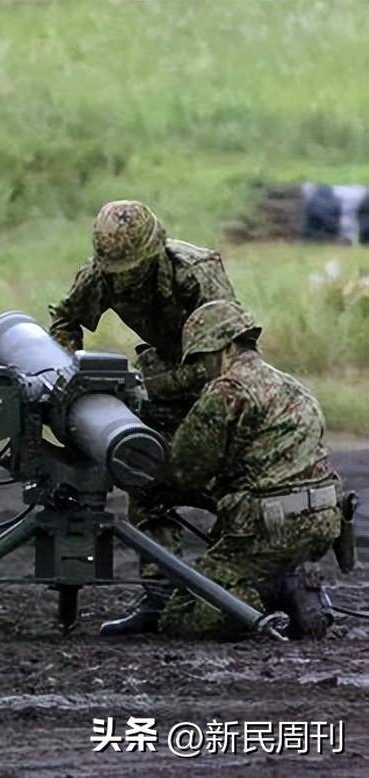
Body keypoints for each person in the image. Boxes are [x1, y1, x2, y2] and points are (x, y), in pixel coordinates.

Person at [46, 200, 240, 633]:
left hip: (214, 390)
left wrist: (146, 386)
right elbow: (65, 318)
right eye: (118, 272)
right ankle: (161, 597)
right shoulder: (101, 274)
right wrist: (68, 364)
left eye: (134, 269)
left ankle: (258, 582)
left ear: (156, 253)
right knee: (146, 480)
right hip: (162, 387)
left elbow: (227, 355)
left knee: (231, 490)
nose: (125, 279)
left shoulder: (196, 274)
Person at [118, 300, 342, 638]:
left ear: (225, 347)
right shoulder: (291, 385)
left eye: (202, 358)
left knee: (180, 616)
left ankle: (277, 591)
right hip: (323, 522)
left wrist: (144, 477)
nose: (202, 369)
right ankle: (288, 579)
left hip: (270, 529)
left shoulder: (227, 390)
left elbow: (184, 471)